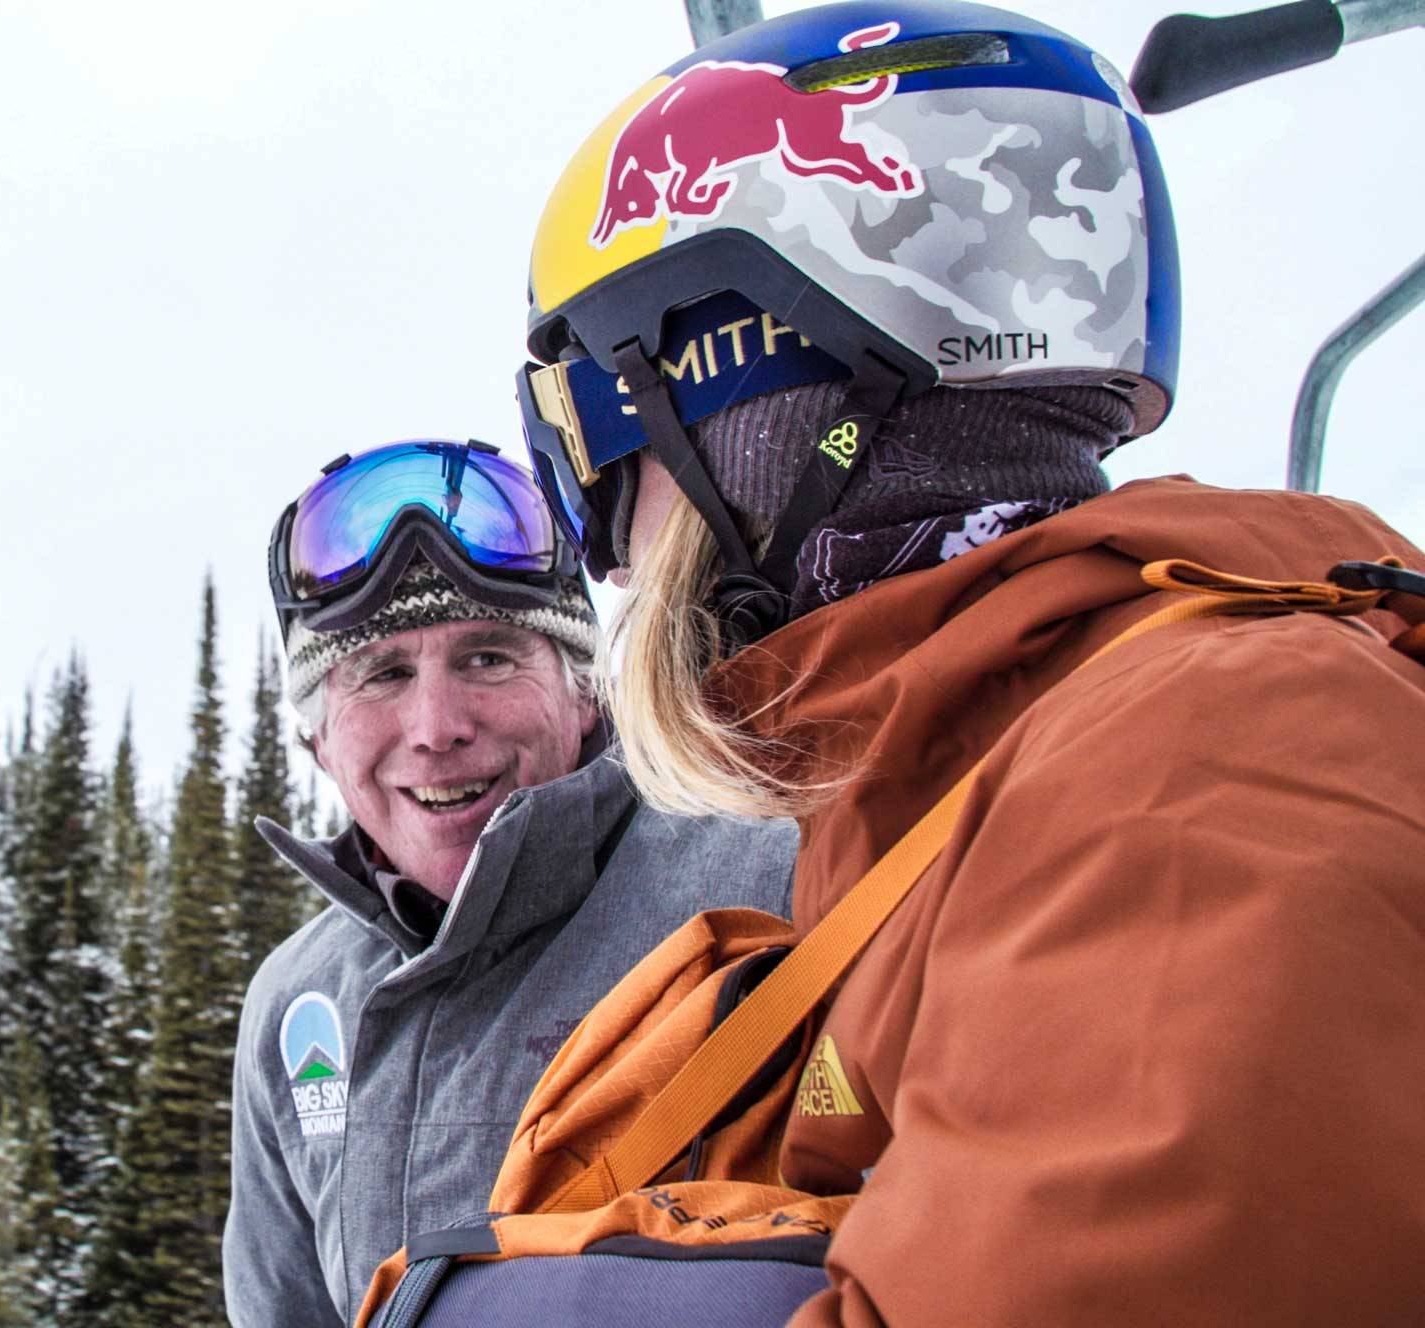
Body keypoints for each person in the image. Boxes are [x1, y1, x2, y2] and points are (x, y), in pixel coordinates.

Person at [512, 3, 1425, 1323]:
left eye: (594, 437)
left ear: (755, 401)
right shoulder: (951, 797)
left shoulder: (1201, 776)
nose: (605, 544)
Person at [222, 440, 803, 1327]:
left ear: (582, 695)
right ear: (319, 741)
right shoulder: (299, 1001)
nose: (437, 726)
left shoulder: (772, 879)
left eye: (489, 658)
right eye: (382, 673)